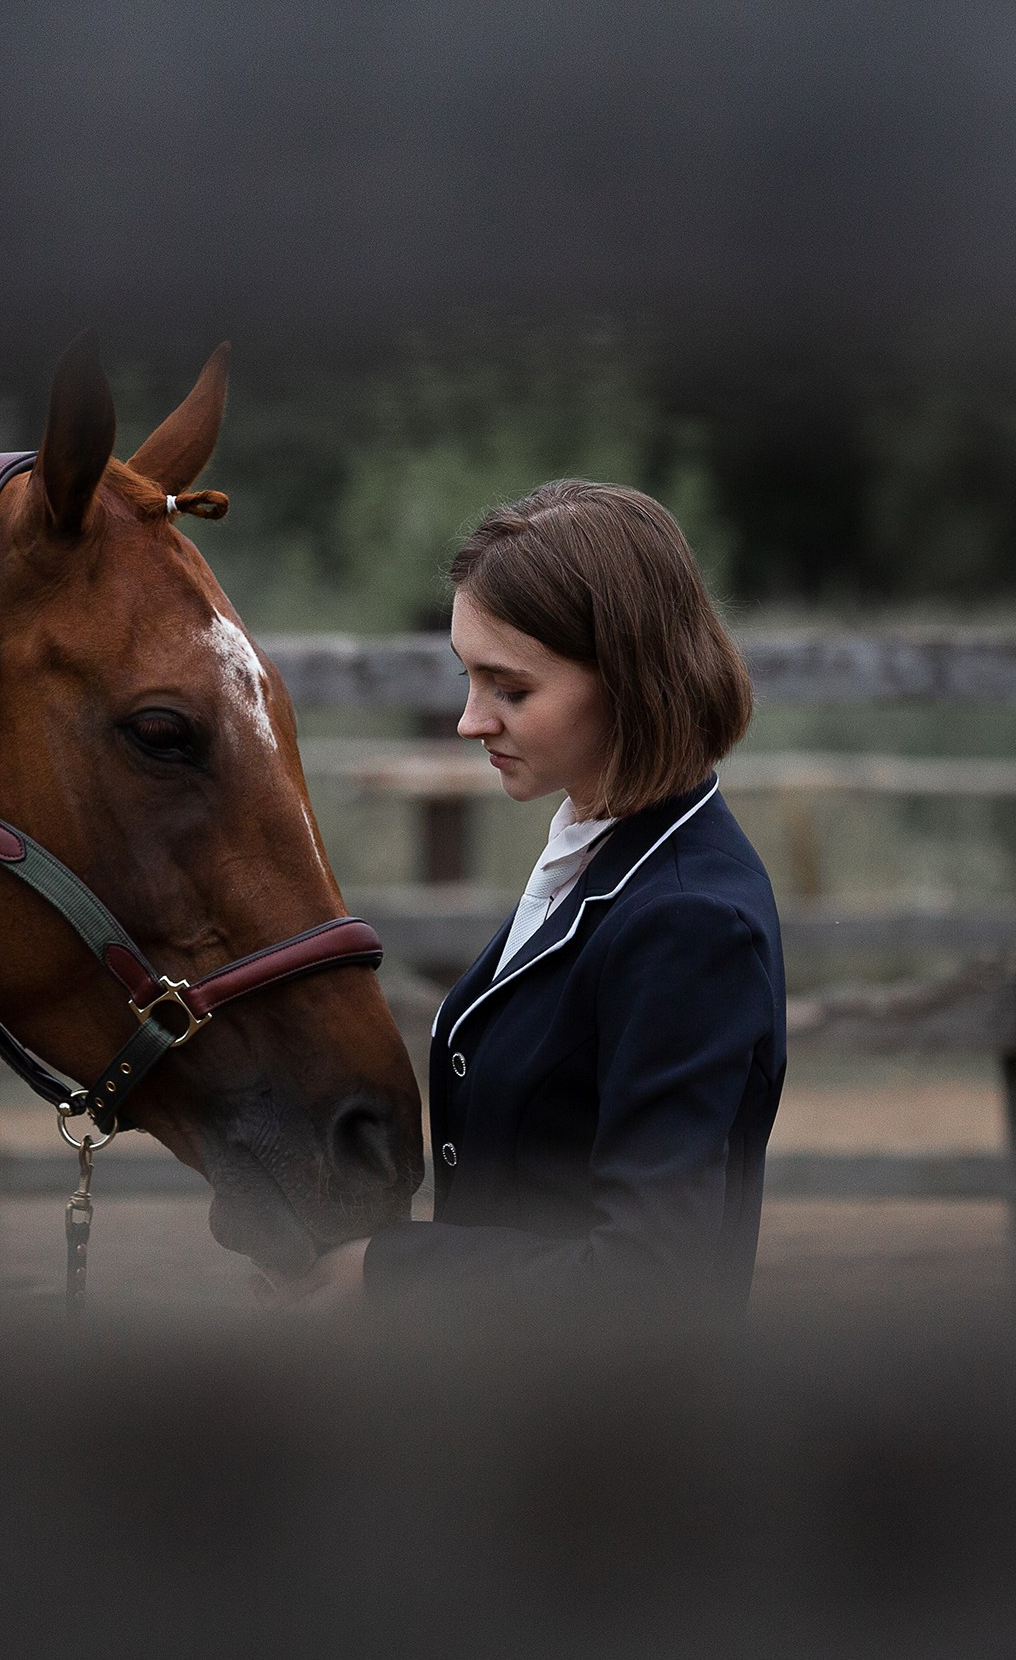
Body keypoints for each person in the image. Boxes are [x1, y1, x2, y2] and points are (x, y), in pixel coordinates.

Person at [288, 479, 785, 1316]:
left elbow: (649, 1281)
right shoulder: (598, 852)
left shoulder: (688, 920)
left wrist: (389, 1276)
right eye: (467, 678)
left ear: (630, 678)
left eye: (509, 688)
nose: (469, 719)